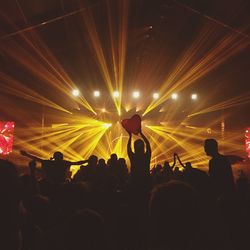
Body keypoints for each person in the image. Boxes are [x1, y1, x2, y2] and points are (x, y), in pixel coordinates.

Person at [20, 150, 88, 184]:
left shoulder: (49, 162)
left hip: (48, 182)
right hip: (61, 182)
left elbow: (37, 158)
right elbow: (77, 163)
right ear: (61, 157)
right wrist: (87, 161)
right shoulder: (64, 163)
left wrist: (26, 154)